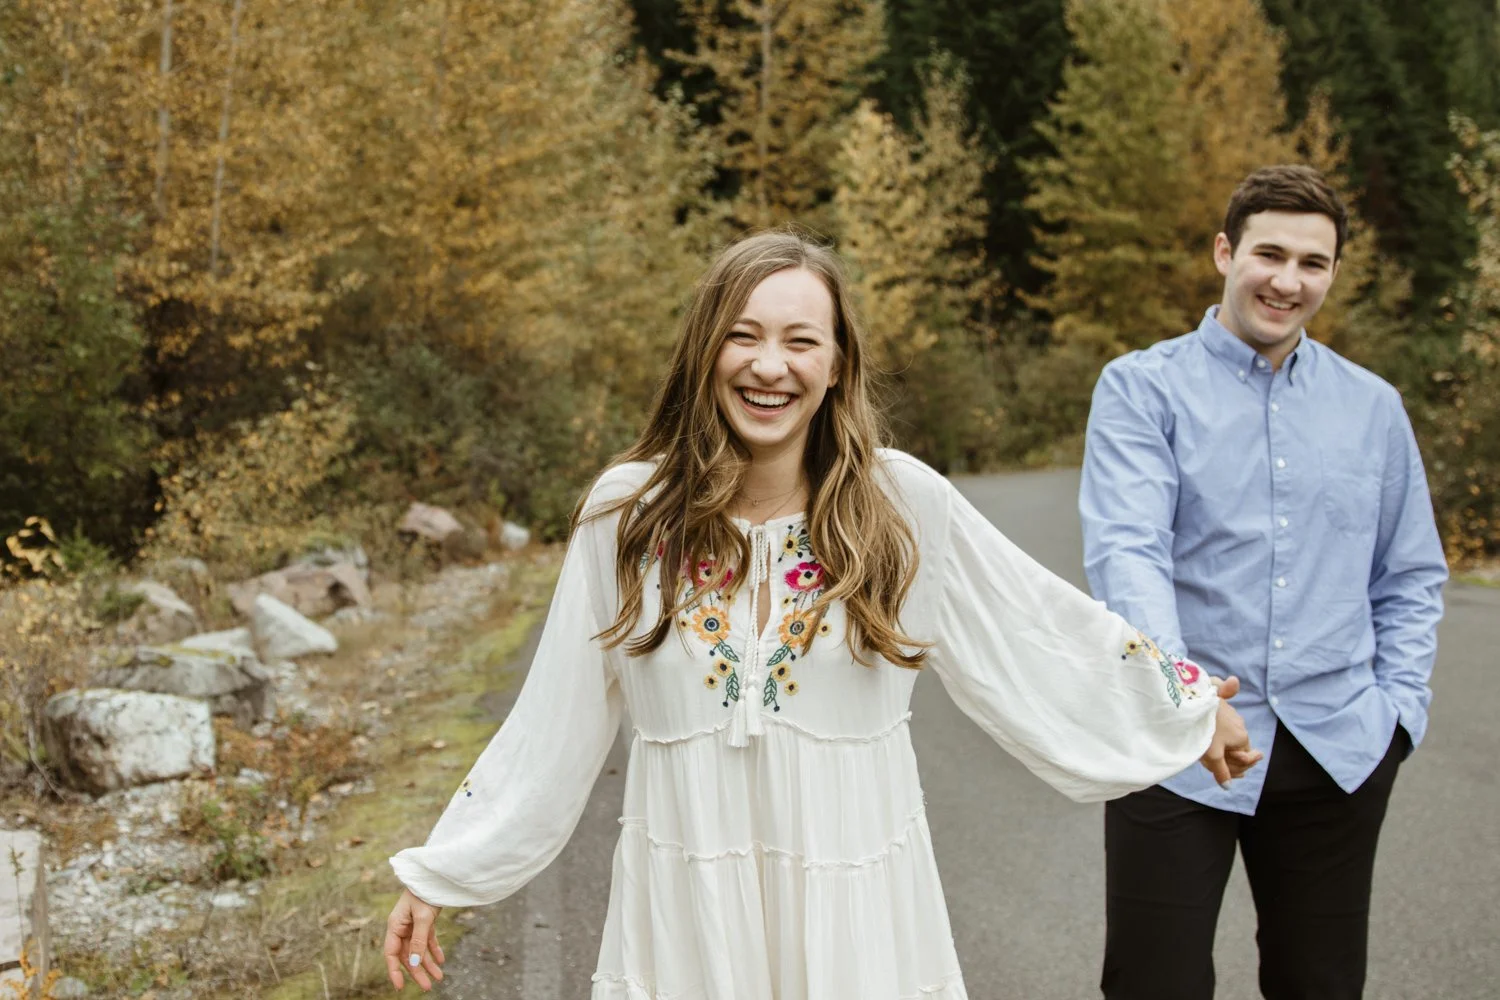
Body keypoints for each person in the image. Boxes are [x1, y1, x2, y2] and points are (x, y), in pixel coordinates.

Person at [383, 230, 1258, 998]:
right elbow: (554, 718)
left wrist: (1183, 706)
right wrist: (444, 870)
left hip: (861, 921)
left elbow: (1035, 629)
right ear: (703, 353)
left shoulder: (901, 505)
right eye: (744, 336)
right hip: (688, 921)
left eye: (801, 341)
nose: (771, 366)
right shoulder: (628, 514)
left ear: (836, 365)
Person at [1080, 165, 1448, 1000]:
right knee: (1152, 984)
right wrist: (1188, 698)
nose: (1287, 281)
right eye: (1269, 254)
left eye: (1312, 263)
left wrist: (1398, 715)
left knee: (1319, 984)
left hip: (1338, 747)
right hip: (1176, 745)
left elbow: (1412, 573)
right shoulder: (1142, 390)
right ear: (1224, 252)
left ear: (1332, 274)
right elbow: (1128, 555)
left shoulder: (1373, 408)